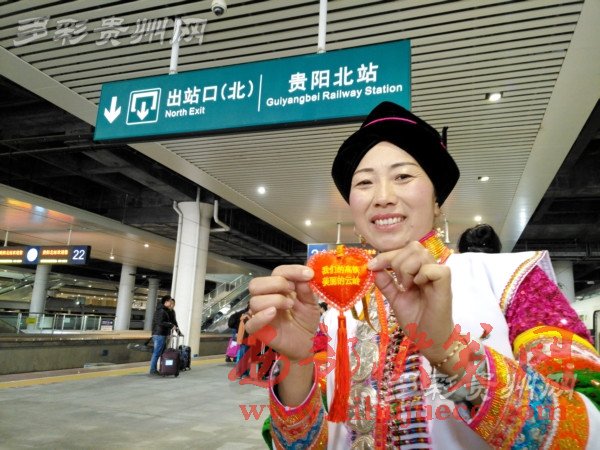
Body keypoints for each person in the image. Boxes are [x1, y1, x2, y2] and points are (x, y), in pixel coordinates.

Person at [245, 101, 600, 449]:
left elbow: (588, 429)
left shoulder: (513, 280)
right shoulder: (336, 312)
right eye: (364, 183)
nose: (382, 197)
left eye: (403, 176)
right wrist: (296, 362)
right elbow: (298, 445)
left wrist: (449, 352)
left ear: (436, 200)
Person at [149, 295, 176, 375]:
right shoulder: (161, 311)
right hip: (159, 334)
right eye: (170, 301)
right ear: (166, 302)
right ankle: (153, 370)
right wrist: (170, 325)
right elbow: (160, 322)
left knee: (161, 352)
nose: (171, 303)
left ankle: (162, 368)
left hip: (162, 334)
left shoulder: (164, 310)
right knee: (157, 353)